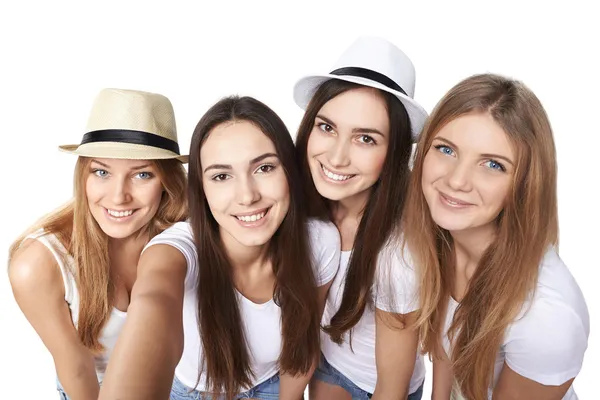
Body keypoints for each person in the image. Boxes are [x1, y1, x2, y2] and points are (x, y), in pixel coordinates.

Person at [98, 95, 341, 400]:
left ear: (290, 172)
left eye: (264, 168)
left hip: (272, 388)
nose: (247, 196)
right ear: (202, 191)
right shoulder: (177, 249)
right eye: (222, 176)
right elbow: (153, 301)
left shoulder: (319, 241)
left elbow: (302, 349)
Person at [403, 73, 589, 400]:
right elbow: (447, 358)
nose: (457, 180)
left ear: (525, 185)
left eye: (492, 164)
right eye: (446, 149)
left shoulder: (547, 317)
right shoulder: (444, 238)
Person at [8, 88, 188, 399]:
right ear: (83, 175)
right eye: (101, 171)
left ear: (167, 182)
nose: (119, 196)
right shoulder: (39, 263)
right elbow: (77, 369)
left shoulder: (185, 233)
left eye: (142, 174)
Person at [293, 36, 428, 399]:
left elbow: (392, 388)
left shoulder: (398, 255)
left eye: (365, 139)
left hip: (375, 386)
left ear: (395, 153)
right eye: (327, 127)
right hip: (326, 361)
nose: (336, 157)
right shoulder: (301, 205)